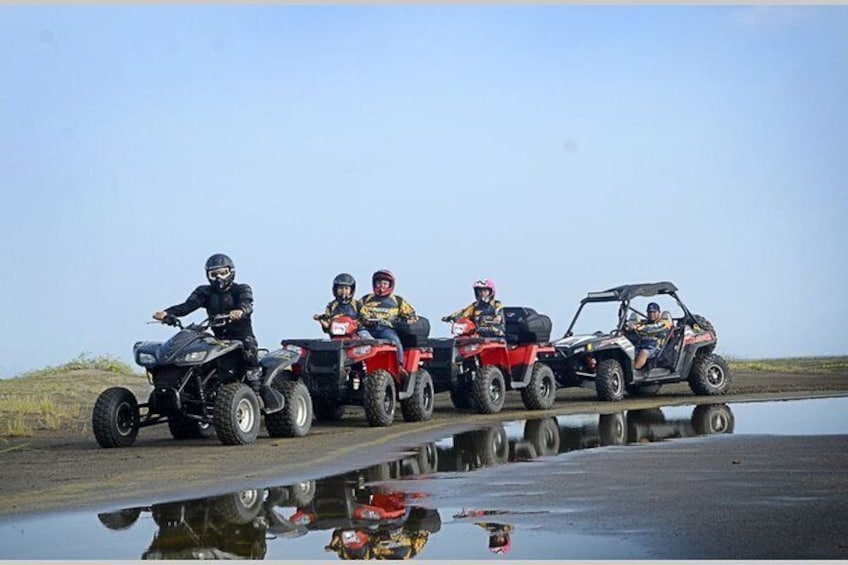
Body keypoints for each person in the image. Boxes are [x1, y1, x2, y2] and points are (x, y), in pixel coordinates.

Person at [152, 253, 283, 412]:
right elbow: (187, 306)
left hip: (241, 336)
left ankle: (256, 393)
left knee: (249, 348)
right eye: (213, 274)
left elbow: (247, 304)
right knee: (198, 352)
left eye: (222, 273)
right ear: (207, 275)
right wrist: (167, 313)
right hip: (219, 339)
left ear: (231, 272)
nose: (218, 278)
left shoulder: (241, 289)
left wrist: (240, 311)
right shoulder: (204, 292)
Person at [358, 269, 418, 374]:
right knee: (357, 342)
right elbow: (355, 312)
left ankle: (399, 366)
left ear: (390, 285)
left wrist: (409, 320)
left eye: (385, 283)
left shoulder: (397, 300)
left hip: (386, 329)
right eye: (379, 283)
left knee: (395, 342)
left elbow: (411, 314)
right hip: (367, 329)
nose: (382, 286)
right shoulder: (366, 299)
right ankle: (357, 369)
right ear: (374, 284)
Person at [441, 279, 505, 338]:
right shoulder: (475, 305)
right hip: (478, 335)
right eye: (480, 291)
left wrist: (497, 318)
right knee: (459, 339)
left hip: (495, 335)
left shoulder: (496, 304)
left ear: (491, 292)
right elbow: (464, 313)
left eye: (485, 291)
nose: (482, 293)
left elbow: (499, 315)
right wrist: (451, 317)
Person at [626, 301, 672, 371]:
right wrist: (628, 328)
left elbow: (652, 328)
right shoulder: (643, 323)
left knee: (644, 352)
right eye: (649, 312)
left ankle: (633, 372)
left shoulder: (664, 324)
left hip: (657, 349)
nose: (651, 314)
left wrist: (637, 328)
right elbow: (637, 326)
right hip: (640, 346)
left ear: (659, 312)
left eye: (654, 312)